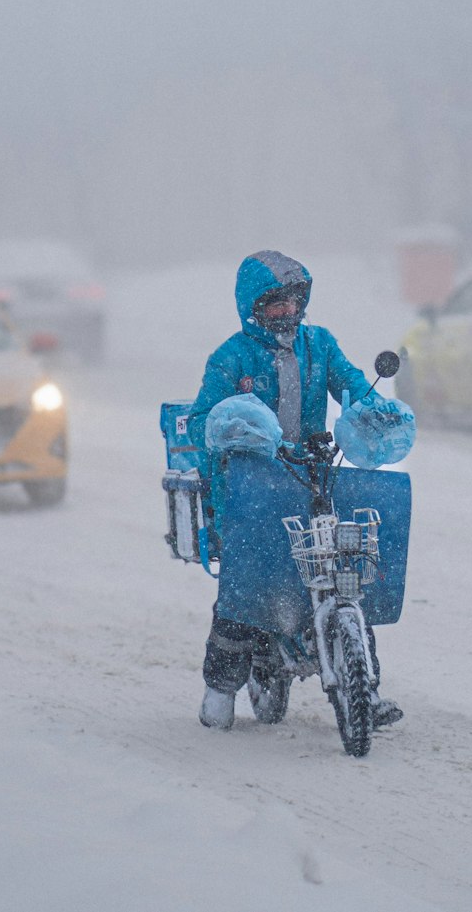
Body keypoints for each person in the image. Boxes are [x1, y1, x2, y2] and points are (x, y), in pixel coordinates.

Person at [188, 249, 409, 733]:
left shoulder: (320, 345)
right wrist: (240, 431)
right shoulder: (230, 358)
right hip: (251, 488)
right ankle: (219, 690)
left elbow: (353, 386)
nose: (288, 312)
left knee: (347, 570)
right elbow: (206, 420)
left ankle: (363, 687)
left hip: (311, 474)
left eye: (294, 301)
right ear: (253, 308)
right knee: (245, 591)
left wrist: (377, 411)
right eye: (275, 304)